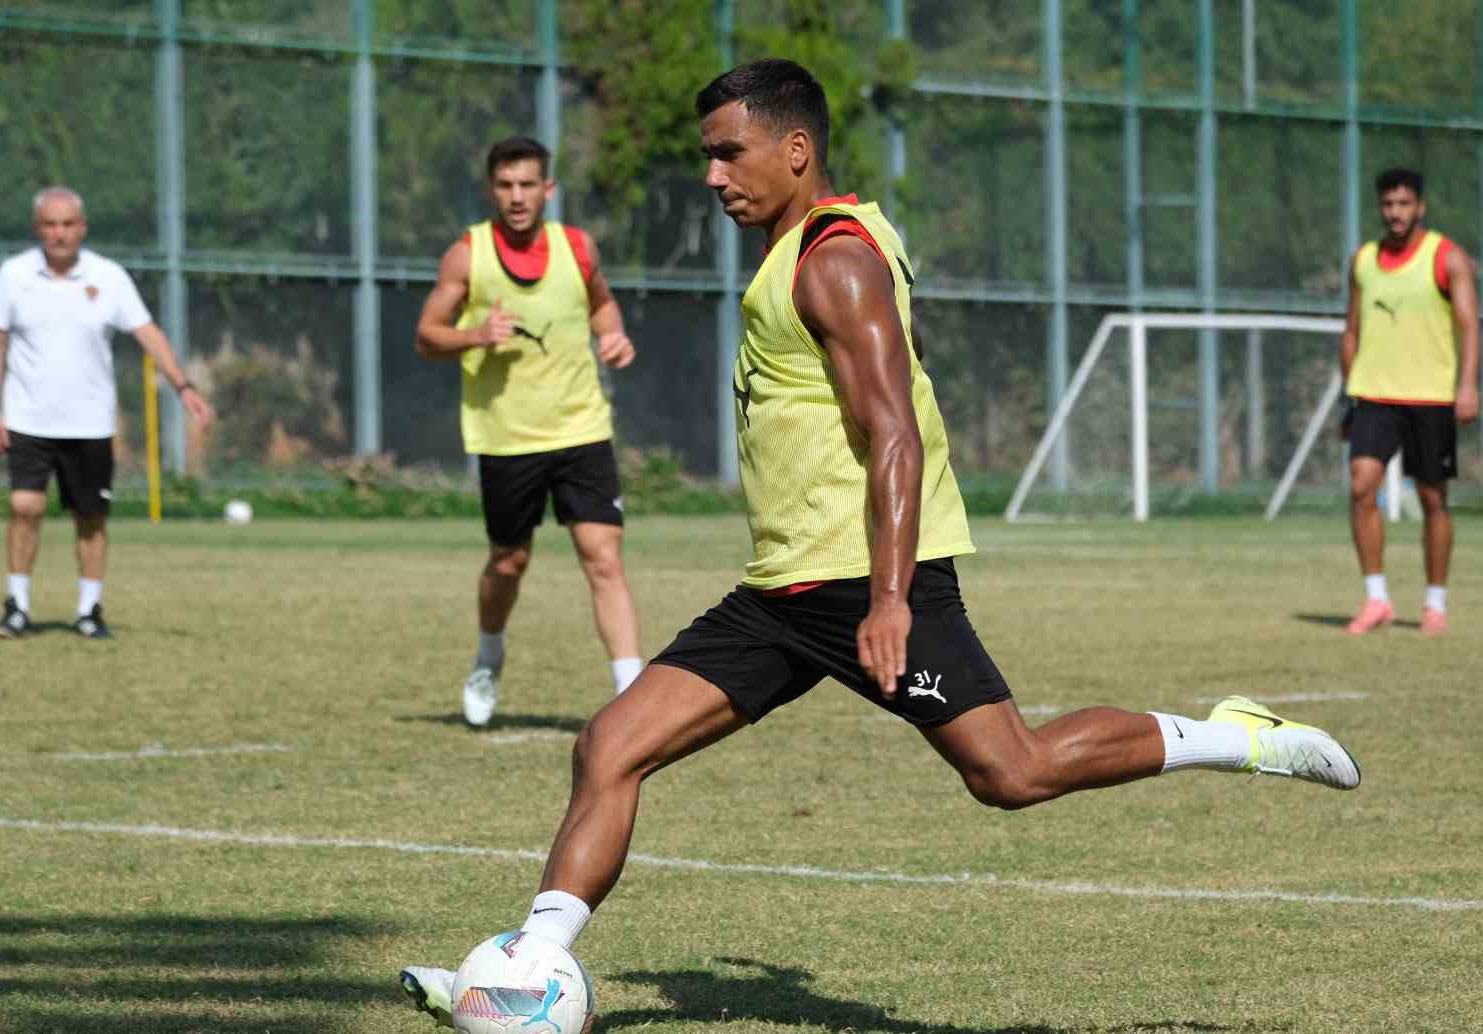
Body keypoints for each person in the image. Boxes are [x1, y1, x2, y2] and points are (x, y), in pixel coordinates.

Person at [398, 60, 1361, 1026]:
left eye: (730, 153)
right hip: (782, 590)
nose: (714, 175)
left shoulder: (835, 261)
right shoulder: (809, 251)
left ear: (795, 149)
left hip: (867, 580)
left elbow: (895, 431)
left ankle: (1236, 738)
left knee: (1011, 772)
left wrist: (893, 597)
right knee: (611, 745)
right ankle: (525, 969)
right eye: (708, 156)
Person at [415, 137, 641, 727]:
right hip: (507, 437)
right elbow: (427, 335)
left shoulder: (578, 247)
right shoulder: (467, 255)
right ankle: (488, 657)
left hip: (581, 427)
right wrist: (474, 335)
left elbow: (602, 305)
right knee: (509, 562)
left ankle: (633, 694)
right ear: (491, 190)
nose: (517, 197)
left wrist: (613, 335)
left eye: (527, 185)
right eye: (505, 185)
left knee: (603, 558)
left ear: (548, 190)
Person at [0, 186, 213, 640]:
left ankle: (89, 611)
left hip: (89, 423)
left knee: (90, 518)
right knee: (25, 506)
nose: (59, 234)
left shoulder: (109, 277)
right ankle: (17, 607)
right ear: (37, 229)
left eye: (68, 224)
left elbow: (147, 332)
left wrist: (182, 386)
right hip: (28, 419)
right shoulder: (13, 275)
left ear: (82, 228)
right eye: (50, 225)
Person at [1339, 168, 1480, 636]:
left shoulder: (1447, 257)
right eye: (1387, 204)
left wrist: (1467, 385)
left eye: (1403, 204)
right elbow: (1351, 330)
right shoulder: (1364, 260)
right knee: (1362, 487)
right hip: (1374, 394)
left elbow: (1469, 326)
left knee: (1432, 498)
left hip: (1430, 396)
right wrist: (1348, 396)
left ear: (1420, 207)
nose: (1395, 213)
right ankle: (1376, 598)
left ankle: (1434, 602)